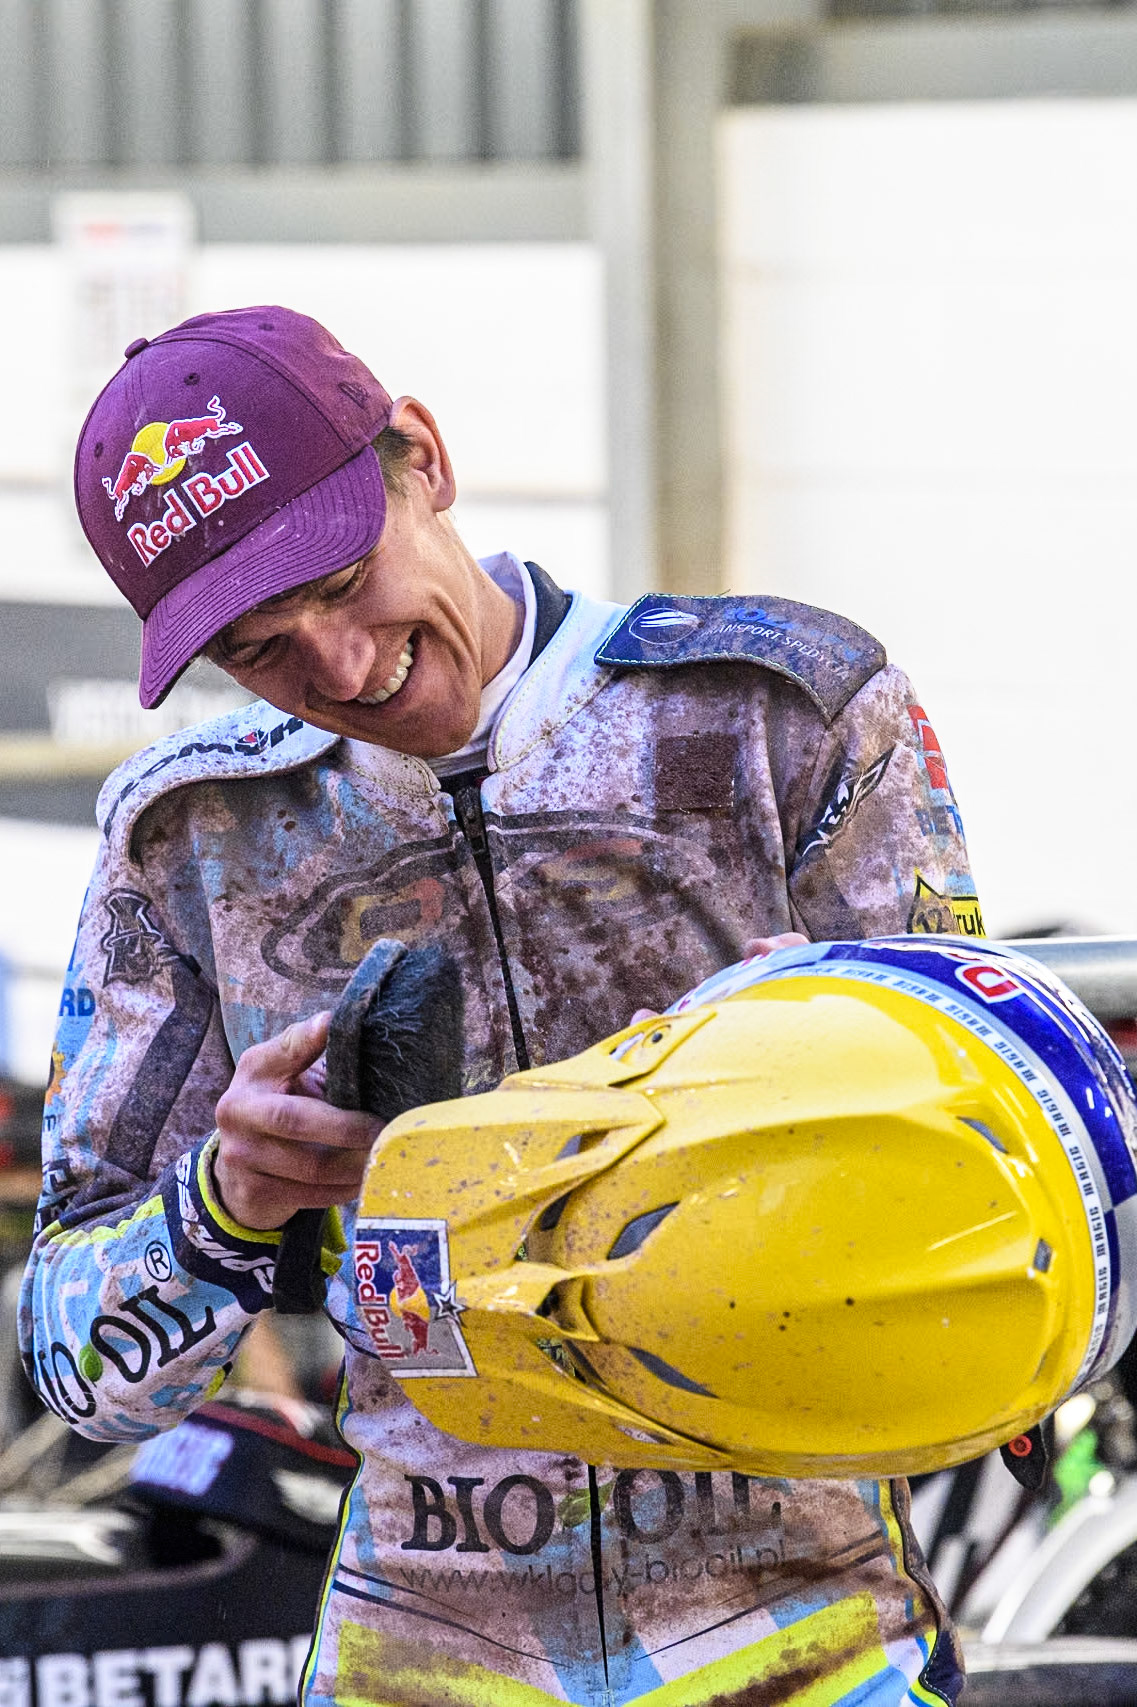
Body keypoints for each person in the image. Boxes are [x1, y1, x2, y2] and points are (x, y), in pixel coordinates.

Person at [20, 305, 979, 1705]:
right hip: (428, 1642)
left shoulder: (778, 711)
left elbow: (996, 1146)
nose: (340, 667)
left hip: (807, 1620)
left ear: (424, 456)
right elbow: (77, 1368)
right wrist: (225, 1200)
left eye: (344, 581)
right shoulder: (192, 834)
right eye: (261, 647)